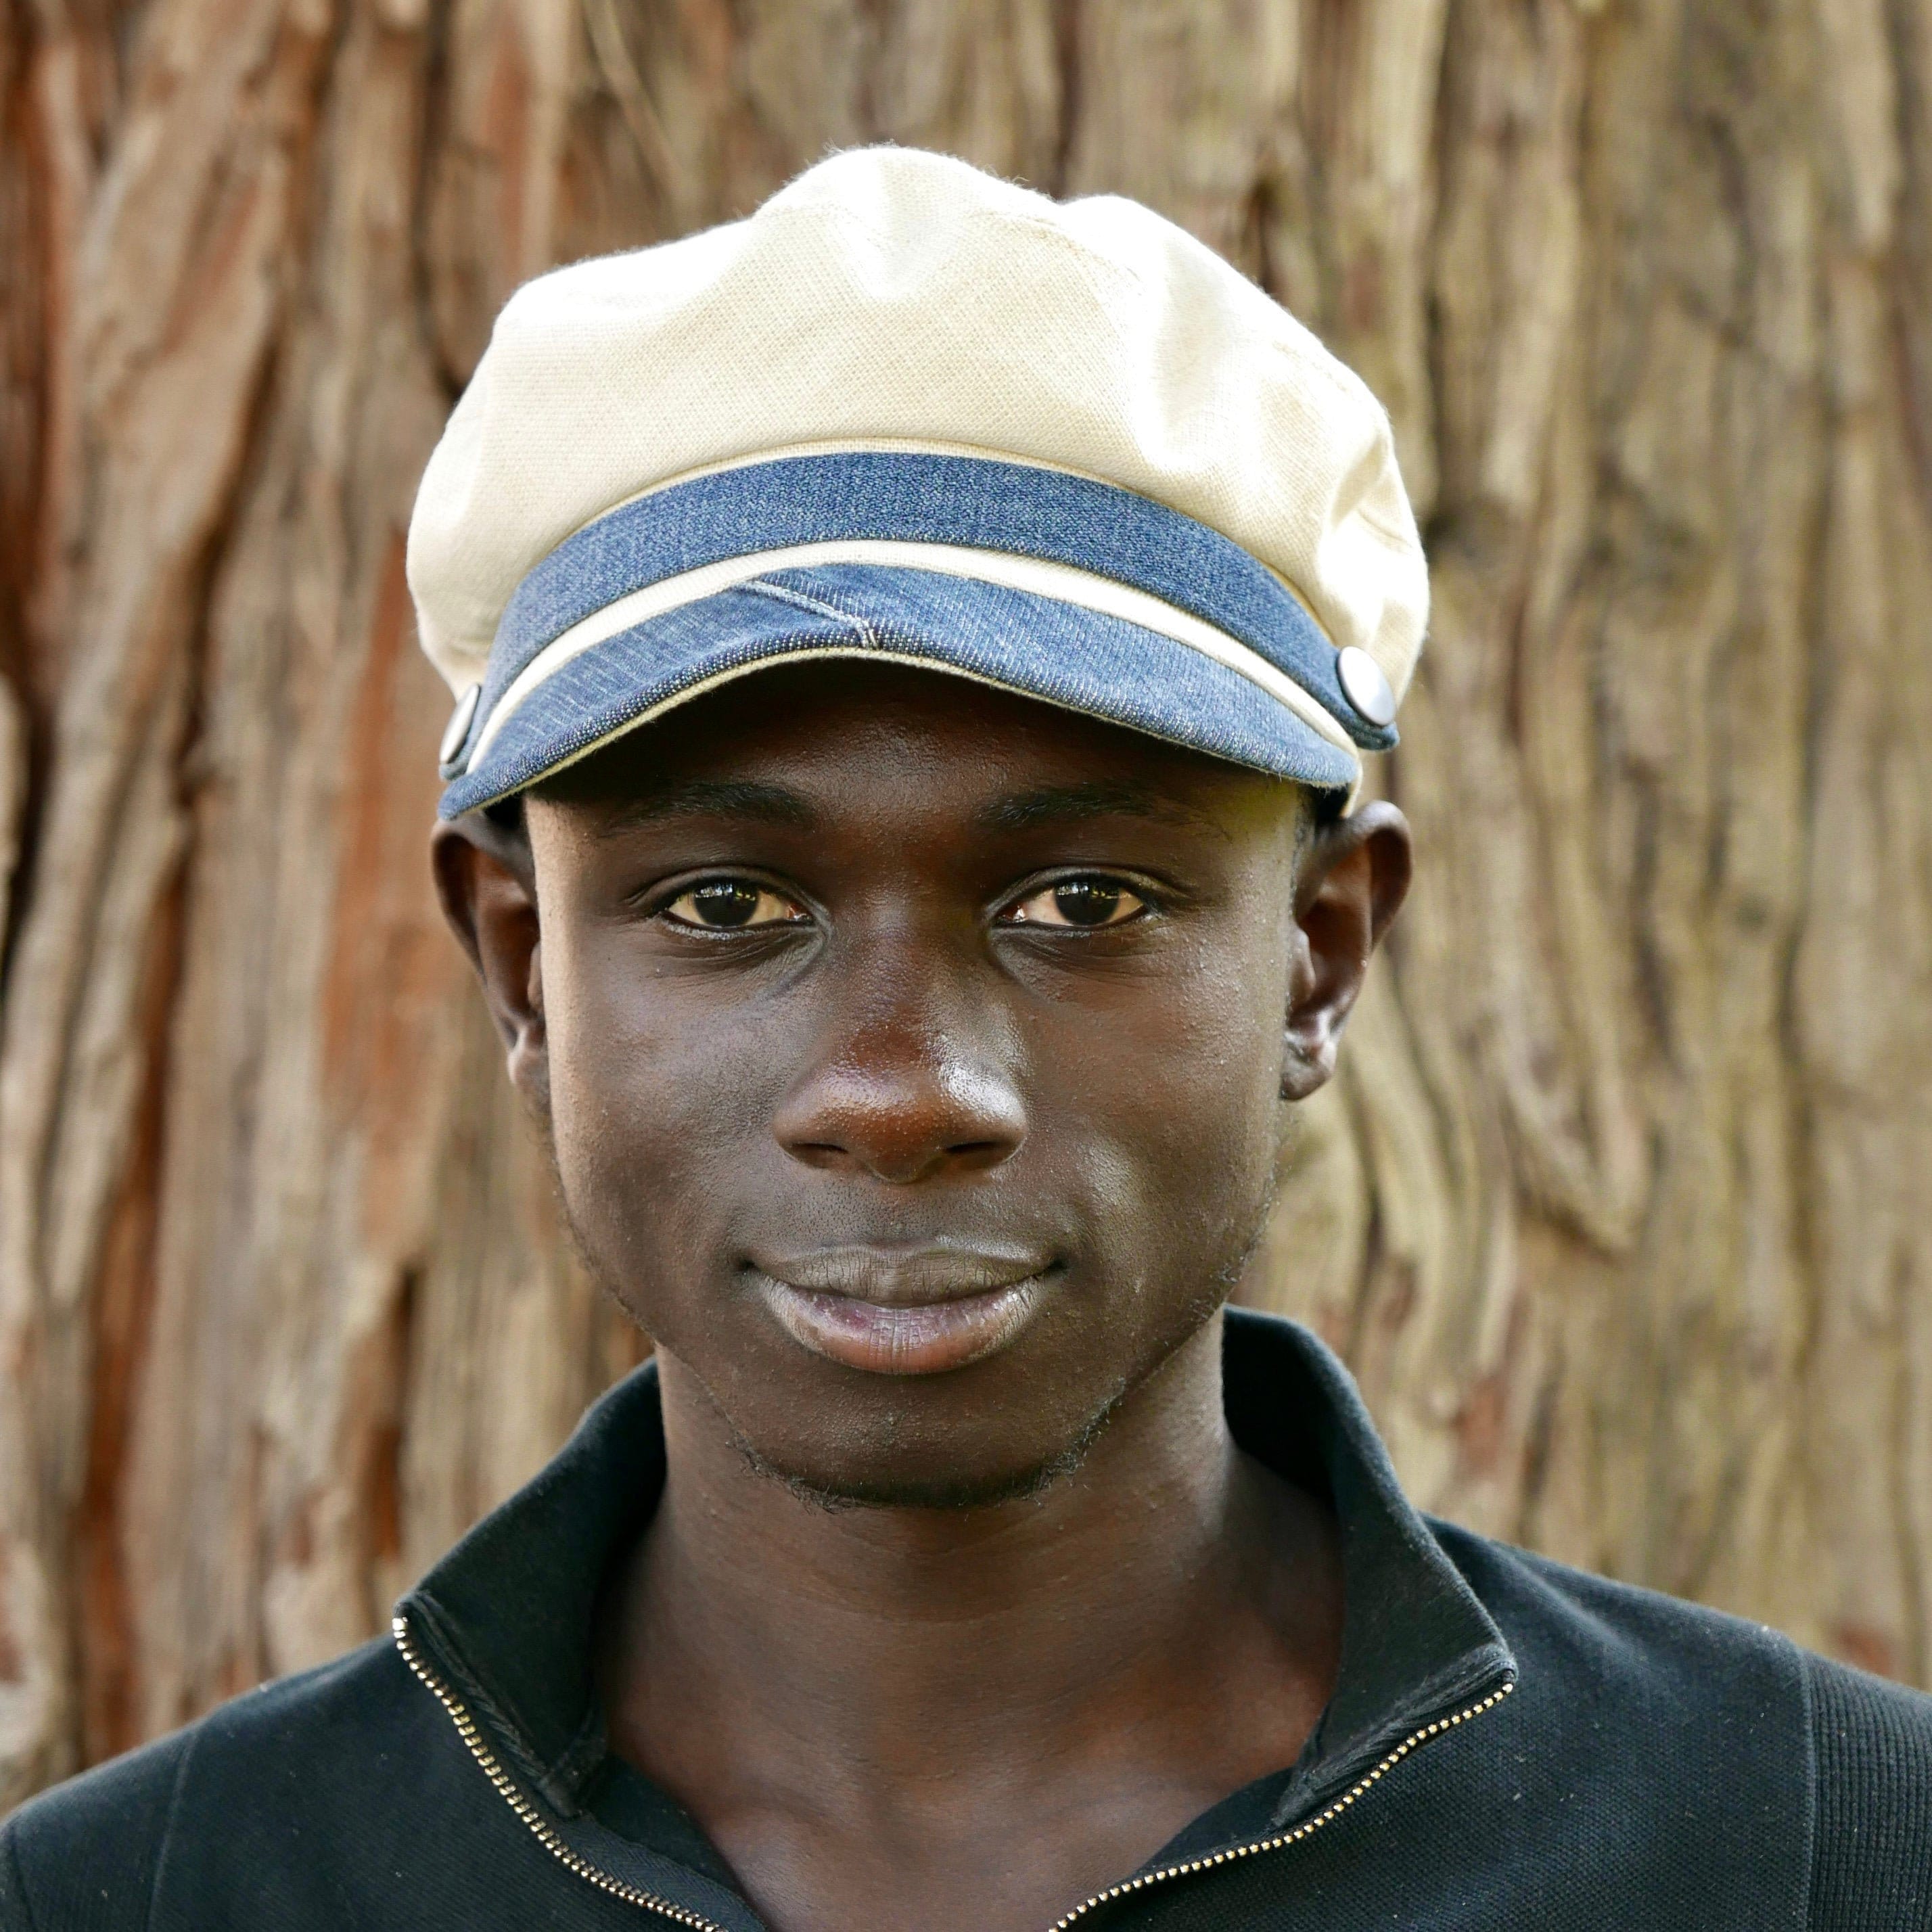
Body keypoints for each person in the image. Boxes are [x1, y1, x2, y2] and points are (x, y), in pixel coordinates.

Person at [2, 145, 1926, 1932]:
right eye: (726, 906)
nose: (902, 1089)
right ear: (520, 967)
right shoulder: (155, 1898)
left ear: (1319, 959)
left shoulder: (1821, 1858)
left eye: (1080, 904)